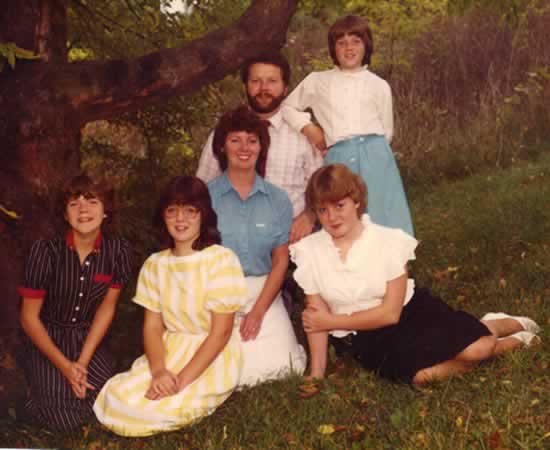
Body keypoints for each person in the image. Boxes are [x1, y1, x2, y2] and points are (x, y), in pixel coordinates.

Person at [289, 164, 540, 383]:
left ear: (356, 201)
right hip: (369, 339)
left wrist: (332, 322)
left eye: (339, 205)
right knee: (424, 377)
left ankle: (506, 330)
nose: (331, 217)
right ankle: (489, 331)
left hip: (412, 314)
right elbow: (315, 320)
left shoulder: (388, 241)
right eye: (322, 210)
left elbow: (390, 313)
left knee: (479, 349)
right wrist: (317, 372)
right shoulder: (310, 252)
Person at [94, 176, 248, 436]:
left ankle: (185, 393)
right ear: (162, 217)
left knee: (163, 409)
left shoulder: (221, 260)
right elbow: (153, 327)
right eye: (172, 211)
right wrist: (159, 372)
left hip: (209, 353)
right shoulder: (155, 264)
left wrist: (179, 382)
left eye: (190, 211)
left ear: (204, 216)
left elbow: (220, 333)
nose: (180, 220)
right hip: (169, 350)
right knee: (117, 397)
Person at [17, 173, 131, 430]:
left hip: (87, 338)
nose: (83, 210)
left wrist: (81, 362)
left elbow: (106, 309)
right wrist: (65, 367)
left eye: (92, 201)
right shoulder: (45, 251)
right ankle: (37, 394)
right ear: (65, 214)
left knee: (111, 400)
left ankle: (65, 390)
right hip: (47, 338)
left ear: (106, 211)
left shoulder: (119, 250)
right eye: (74, 203)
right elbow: (28, 318)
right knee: (63, 420)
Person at [282, 15, 414, 236]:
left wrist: (375, 154)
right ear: (333, 49)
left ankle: (393, 268)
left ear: (366, 46)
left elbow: (387, 130)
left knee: (384, 221)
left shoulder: (379, 85)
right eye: (341, 43)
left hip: (376, 157)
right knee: (341, 217)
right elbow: (288, 107)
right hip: (339, 158)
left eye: (356, 41)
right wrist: (310, 128)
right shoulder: (318, 80)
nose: (349, 48)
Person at [207, 106, 307, 386]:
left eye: (252, 140)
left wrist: (259, 311)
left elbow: (280, 262)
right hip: (216, 294)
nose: (244, 148)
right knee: (225, 373)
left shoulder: (278, 200)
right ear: (222, 146)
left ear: (261, 147)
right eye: (235, 140)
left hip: (264, 292)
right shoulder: (204, 198)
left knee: (283, 368)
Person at [197, 51, 323, 244]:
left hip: (292, 239)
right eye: (256, 81)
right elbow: (201, 189)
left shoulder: (303, 136)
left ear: (285, 87)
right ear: (246, 85)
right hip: (233, 241)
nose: (263, 88)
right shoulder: (224, 132)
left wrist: (309, 216)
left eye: (272, 81)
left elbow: (322, 186)